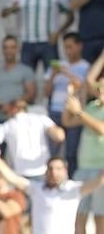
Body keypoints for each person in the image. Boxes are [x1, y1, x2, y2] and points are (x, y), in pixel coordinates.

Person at [0, 150, 104, 234]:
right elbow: (13, 178)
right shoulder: (36, 188)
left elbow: (99, 181)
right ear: (46, 171)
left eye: (58, 169)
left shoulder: (73, 189)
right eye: (51, 168)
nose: (54, 172)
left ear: (65, 171)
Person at [0, 100, 66, 179]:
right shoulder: (41, 119)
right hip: (43, 171)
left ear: (13, 109)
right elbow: (59, 136)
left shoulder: (7, 125)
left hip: (21, 174)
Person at [1, 0, 74, 71]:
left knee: (53, 76)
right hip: (28, 43)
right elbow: (4, 13)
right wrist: (11, 9)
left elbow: (70, 14)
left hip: (49, 43)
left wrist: (58, 32)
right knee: (26, 79)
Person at [63, 50, 104, 234]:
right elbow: (68, 121)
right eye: (100, 86)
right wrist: (70, 97)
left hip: (101, 170)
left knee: (100, 218)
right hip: (83, 167)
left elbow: (101, 128)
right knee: (78, 215)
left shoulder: (87, 110)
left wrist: (79, 111)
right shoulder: (91, 107)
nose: (100, 89)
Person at [44, 32, 90, 176]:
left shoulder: (86, 67)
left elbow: (85, 88)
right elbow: (46, 92)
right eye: (65, 47)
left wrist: (67, 74)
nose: (68, 51)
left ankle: (70, 181)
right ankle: (50, 181)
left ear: (79, 46)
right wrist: (53, 75)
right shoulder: (57, 65)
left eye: (70, 47)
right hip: (55, 112)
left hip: (73, 113)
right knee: (52, 151)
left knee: (71, 152)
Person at [0, 35, 36, 126]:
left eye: (12, 47)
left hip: (18, 119)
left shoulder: (26, 70)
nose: (9, 51)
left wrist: (11, 105)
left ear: (17, 49)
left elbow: (31, 94)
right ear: (2, 50)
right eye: (6, 47)